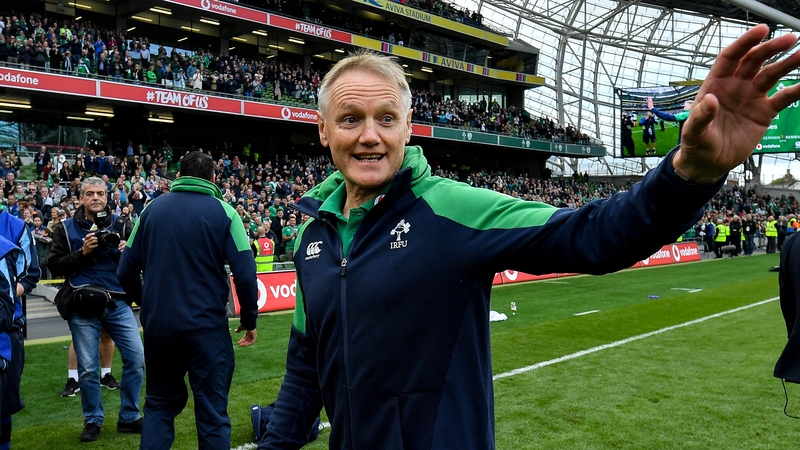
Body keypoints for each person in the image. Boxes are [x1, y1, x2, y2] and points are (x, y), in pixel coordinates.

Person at [258, 24, 800, 449]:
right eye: (350, 119)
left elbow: (595, 237)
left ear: (408, 126)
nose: (370, 135)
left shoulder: (453, 209)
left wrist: (691, 171)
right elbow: (305, 372)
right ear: (324, 130)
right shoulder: (314, 238)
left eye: (386, 118)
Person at [117, 151, 258, 450]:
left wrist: (147, 303)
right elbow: (245, 273)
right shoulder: (226, 212)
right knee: (212, 413)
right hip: (207, 329)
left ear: (179, 175)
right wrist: (249, 319)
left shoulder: (151, 210)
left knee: (158, 406)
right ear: (213, 178)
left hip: (160, 328)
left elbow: (125, 270)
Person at [48, 177, 144, 442]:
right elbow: (54, 265)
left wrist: (128, 252)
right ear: (81, 198)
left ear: (108, 196)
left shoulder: (123, 224)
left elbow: (143, 261)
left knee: (137, 359)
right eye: (89, 193)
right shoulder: (65, 229)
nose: (96, 198)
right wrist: (82, 253)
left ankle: (129, 416)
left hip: (118, 302)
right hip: (83, 302)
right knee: (88, 369)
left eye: (100, 193)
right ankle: (93, 420)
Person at [0, 209, 40, 449]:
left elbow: (30, 274)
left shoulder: (15, 227)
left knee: (5, 404)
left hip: (7, 330)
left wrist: (4, 294)